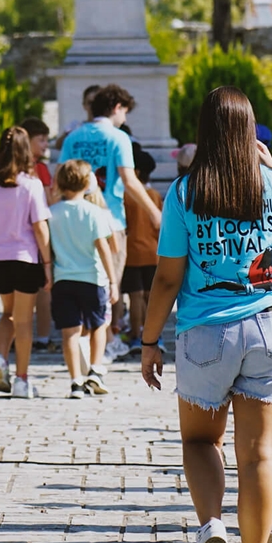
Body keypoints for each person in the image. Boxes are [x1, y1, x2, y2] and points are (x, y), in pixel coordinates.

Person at [140, 88, 272, 543]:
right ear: (248, 131)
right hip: (271, 329)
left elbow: (166, 278)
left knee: (201, 440)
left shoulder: (184, 192)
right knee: (260, 456)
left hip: (205, 333)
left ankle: (212, 524)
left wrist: (149, 340)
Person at [60, 83, 158, 362]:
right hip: (110, 220)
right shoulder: (118, 138)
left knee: (80, 279)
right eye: (124, 112)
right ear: (117, 107)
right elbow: (129, 181)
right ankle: (105, 342)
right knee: (105, 284)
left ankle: (90, 340)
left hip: (75, 219)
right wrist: (154, 212)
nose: (125, 118)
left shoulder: (73, 138)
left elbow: (59, 180)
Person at [0, 127, 54, 397]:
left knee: (7, 313)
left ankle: (0, 356)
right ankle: (21, 379)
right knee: (23, 322)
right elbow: (40, 228)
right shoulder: (31, 186)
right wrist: (48, 264)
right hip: (26, 259)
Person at [48, 160, 117, 398]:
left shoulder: (52, 213)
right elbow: (103, 248)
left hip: (63, 278)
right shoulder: (94, 212)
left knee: (70, 332)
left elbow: (47, 249)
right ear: (88, 182)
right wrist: (113, 280)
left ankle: (75, 380)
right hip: (93, 278)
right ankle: (96, 369)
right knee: (98, 324)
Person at [20, 117, 59, 350]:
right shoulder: (40, 169)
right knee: (44, 287)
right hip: (38, 233)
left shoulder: (8, 168)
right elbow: (49, 201)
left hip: (12, 237)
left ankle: (18, 335)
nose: (45, 144)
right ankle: (43, 337)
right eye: (41, 140)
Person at [120, 141, 162, 348]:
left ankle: (135, 334)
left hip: (131, 252)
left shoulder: (126, 196)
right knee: (149, 296)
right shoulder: (154, 196)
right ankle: (151, 335)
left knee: (134, 296)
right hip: (152, 252)